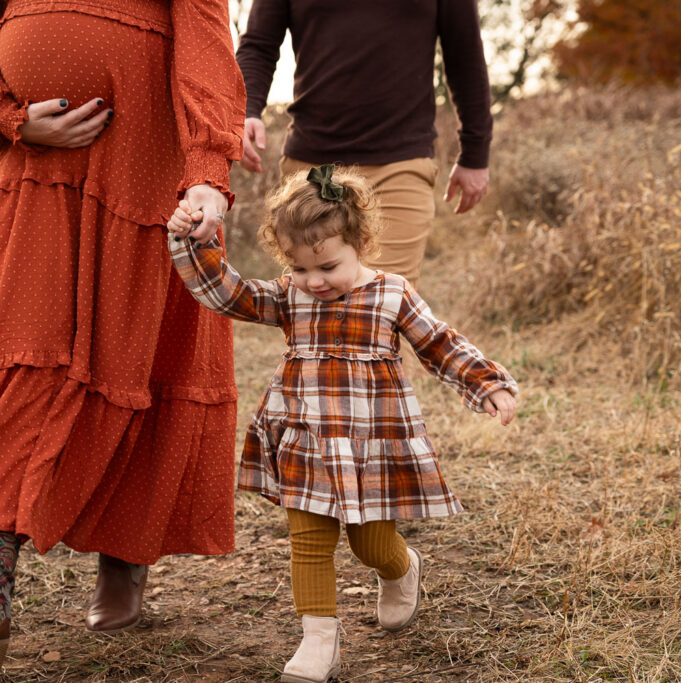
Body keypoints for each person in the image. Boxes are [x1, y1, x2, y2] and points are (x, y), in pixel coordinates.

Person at [0, 0, 244, 674]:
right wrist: (5, 114)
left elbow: (204, 37)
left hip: (143, 160)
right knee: (15, 359)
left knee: (136, 357)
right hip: (30, 165)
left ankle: (123, 563)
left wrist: (207, 171)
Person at [166, 165, 518, 683]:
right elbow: (228, 293)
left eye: (327, 266)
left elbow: (439, 343)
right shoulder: (292, 295)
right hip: (305, 439)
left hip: (372, 442)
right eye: (299, 268)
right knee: (308, 539)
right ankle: (318, 640)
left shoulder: (391, 293)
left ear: (361, 243)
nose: (313, 281)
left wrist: (488, 383)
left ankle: (402, 568)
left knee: (370, 543)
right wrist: (191, 240)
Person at [235, 0, 494, 289]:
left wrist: (475, 153)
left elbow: (465, 53)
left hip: (398, 163)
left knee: (383, 305)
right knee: (313, 304)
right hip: (312, 167)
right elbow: (258, 44)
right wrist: (244, 111)